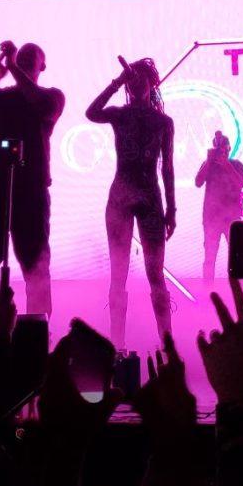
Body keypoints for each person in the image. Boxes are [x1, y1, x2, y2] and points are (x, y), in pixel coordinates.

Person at [0, 41, 65, 317]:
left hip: (30, 193)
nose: (26, 58)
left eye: (32, 57)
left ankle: (39, 340)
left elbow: (42, 107)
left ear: (42, 66)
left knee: (37, 270)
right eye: (23, 56)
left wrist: (15, 68)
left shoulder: (51, 96)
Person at [86, 58, 177, 348]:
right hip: (132, 196)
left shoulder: (160, 121)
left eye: (141, 80)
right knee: (120, 274)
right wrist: (116, 81)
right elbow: (91, 113)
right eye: (132, 81)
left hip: (142, 196)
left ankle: (166, 344)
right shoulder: (124, 115)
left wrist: (172, 207)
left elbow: (168, 168)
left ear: (151, 84)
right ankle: (119, 346)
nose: (136, 85)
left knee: (154, 274)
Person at [195, 131, 243, 282]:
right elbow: (198, 182)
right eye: (217, 149)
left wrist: (227, 165)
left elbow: (241, 184)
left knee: (237, 255)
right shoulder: (208, 165)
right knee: (210, 257)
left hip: (232, 218)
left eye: (223, 149)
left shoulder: (236, 164)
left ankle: (240, 289)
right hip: (212, 217)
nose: (220, 152)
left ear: (229, 148)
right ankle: (208, 289)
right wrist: (208, 161)